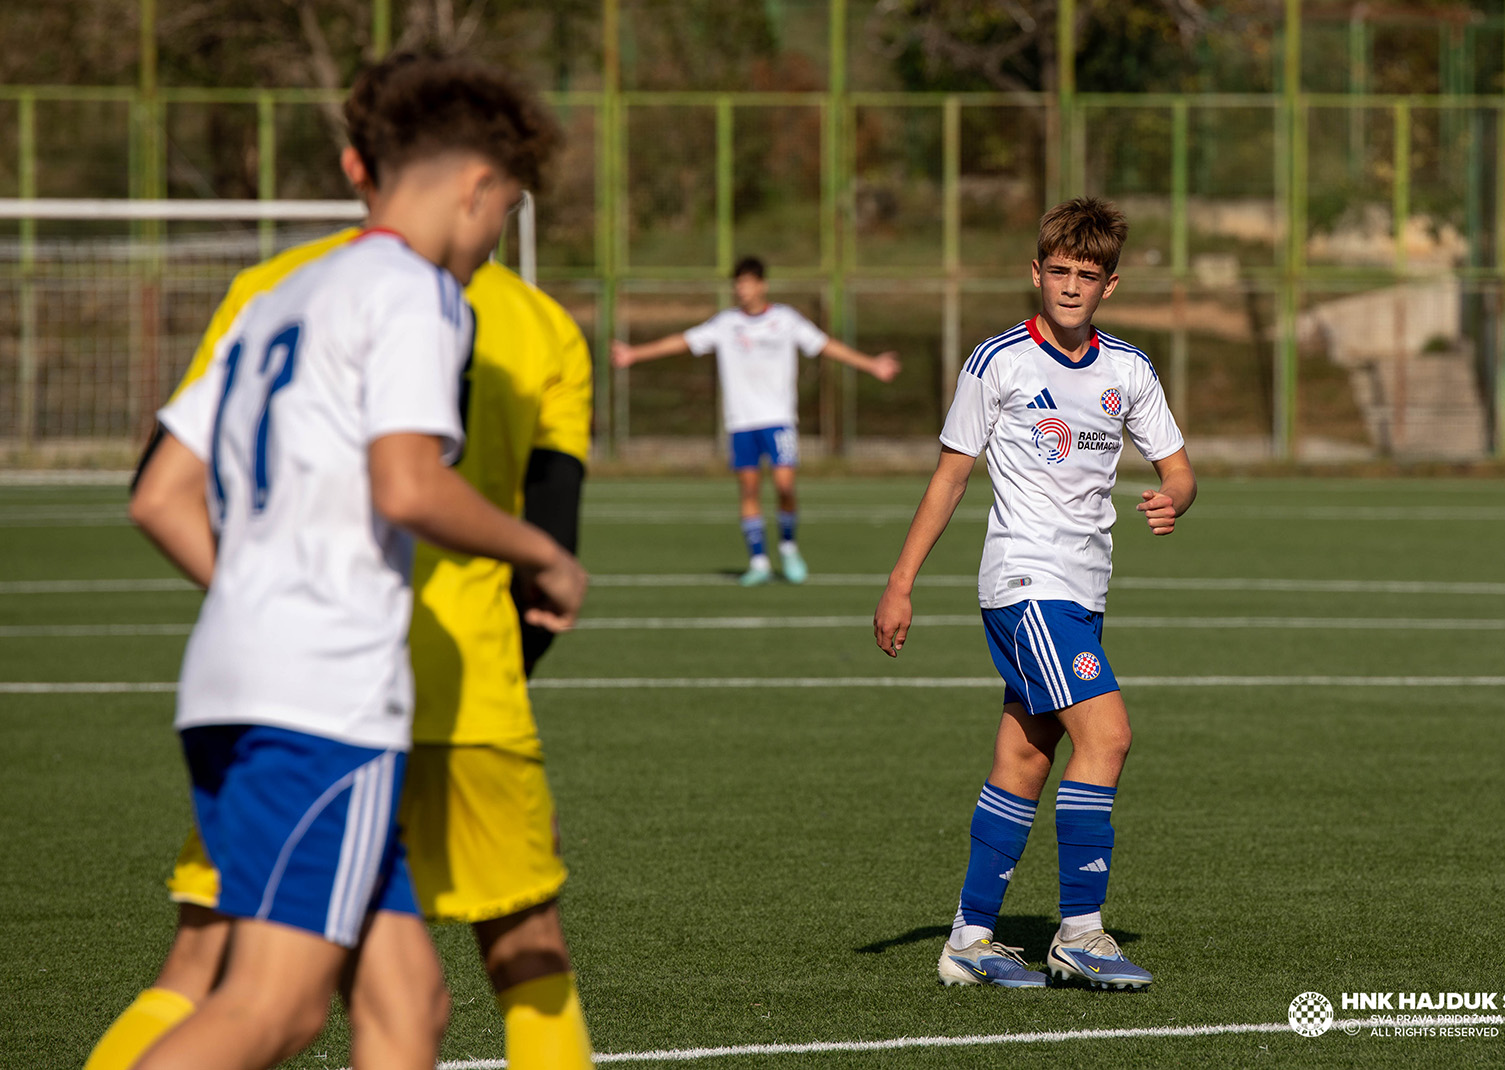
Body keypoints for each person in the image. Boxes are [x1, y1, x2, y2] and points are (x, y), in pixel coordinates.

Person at [87, 53, 597, 1070]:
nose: (495, 238)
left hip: (232, 684)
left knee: (408, 1002)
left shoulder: (281, 292)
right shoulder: (418, 293)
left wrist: (263, 592)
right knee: (269, 1011)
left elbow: (158, 493)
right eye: (503, 209)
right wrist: (542, 549)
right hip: (327, 699)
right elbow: (406, 482)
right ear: (474, 186)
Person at [872, 197, 1195, 991]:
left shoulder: (1128, 370)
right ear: (1035, 273)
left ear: (1109, 285)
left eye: (1087, 275)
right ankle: (1080, 933)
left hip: (1081, 593)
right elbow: (951, 474)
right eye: (1058, 271)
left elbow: (1178, 467)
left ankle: (969, 939)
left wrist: (1173, 498)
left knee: (1024, 755)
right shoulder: (999, 363)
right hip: (1024, 583)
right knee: (1108, 735)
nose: (1071, 286)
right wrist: (899, 582)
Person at [610, 256, 901, 585]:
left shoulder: (786, 320)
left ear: (762, 284)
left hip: (779, 420)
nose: (742, 290)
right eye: (737, 284)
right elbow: (682, 341)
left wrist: (871, 365)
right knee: (749, 490)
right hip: (741, 423)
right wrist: (635, 353)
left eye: (747, 283)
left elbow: (825, 346)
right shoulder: (726, 323)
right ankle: (759, 561)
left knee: (784, 486)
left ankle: (788, 547)